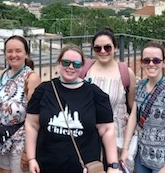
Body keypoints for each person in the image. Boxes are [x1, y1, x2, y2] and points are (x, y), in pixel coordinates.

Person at [24, 44, 121, 173]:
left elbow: (107, 130)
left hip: (84, 167)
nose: (70, 67)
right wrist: (31, 159)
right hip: (47, 165)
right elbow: (32, 124)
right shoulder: (44, 90)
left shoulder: (95, 94)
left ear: (82, 66)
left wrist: (112, 165)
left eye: (76, 64)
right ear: (59, 63)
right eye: (66, 63)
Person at [121, 41, 165, 173]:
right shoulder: (140, 86)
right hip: (141, 158)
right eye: (147, 60)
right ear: (142, 63)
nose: (151, 64)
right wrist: (125, 149)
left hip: (163, 162)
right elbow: (133, 118)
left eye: (156, 60)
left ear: (163, 63)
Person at [82, 28, 137, 166]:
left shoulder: (125, 73)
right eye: (97, 48)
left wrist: (126, 145)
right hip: (89, 134)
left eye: (107, 47)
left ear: (116, 48)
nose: (102, 51)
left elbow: (132, 108)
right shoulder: (85, 70)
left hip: (117, 136)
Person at [0, 35, 41, 173]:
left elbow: (35, 116)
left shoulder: (31, 78)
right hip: (3, 139)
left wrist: (27, 152)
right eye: (9, 51)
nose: (13, 55)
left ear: (26, 53)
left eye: (18, 51)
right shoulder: (4, 74)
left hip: (21, 142)